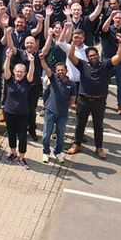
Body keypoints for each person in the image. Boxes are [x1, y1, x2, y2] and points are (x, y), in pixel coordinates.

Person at [66, 41, 121, 159]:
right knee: (80, 124)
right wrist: (72, 44)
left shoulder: (106, 64)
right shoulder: (83, 65)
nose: (92, 57)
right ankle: (77, 144)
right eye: (90, 56)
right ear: (87, 58)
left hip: (99, 101)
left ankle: (99, 148)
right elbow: (70, 56)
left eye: (94, 55)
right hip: (83, 99)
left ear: (98, 55)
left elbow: (119, 56)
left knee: (98, 125)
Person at [40, 34, 77, 164]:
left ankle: (58, 152)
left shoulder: (71, 84)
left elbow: (73, 97)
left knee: (60, 136)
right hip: (50, 111)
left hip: (63, 114)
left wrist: (68, 107)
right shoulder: (53, 78)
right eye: (58, 70)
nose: (60, 71)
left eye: (62, 70)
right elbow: (46, 68)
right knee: (46, 135)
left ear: (66, 71)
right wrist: (42, 59)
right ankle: (45, 152)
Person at [2, 47, 36, 169]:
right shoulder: (9, 80)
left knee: (22, 136)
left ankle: (21, 158)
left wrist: (32, 61)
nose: (19, 73)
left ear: (24, 73)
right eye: (17, 71)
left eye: (21, 72)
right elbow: (5, 68)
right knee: (11, 134)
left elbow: (32, 73)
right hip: (9, 112)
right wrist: (8, 57)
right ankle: (13, 153)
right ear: (14, 71)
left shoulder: (27, 82)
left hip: (23, 113)